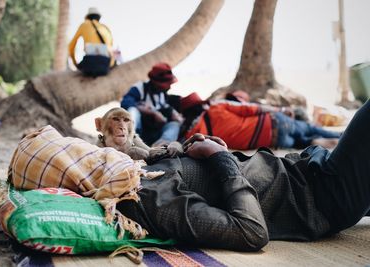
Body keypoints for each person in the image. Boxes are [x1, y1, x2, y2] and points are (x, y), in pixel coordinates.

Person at [116, 99, 370, 251]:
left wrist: (209, 151)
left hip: (307, 171)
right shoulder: (145, 196)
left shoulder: (143, 173)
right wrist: (219, 157)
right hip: (322, 195)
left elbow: (209, 180)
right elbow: (251, 231)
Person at [179, 92, 341, 150]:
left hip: (271, 140)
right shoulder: (216, 107)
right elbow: (252, 108)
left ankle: (329, 142)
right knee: (309, 128)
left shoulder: (195, 137)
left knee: (308, 141)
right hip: (273, 122)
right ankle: (341, 136)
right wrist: (281, 110)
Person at [120, 63, 183, 146]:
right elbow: (125, 103)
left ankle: (162, 144)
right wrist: (152, 112)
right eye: (167, 84)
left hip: (155, 133)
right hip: (140, 131)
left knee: (174, 125)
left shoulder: (162, 94)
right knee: (132, 111)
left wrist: (174, 115)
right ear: (156, 82)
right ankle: (130, 140)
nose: (169, 87)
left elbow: (166, 109)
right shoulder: (140, 88)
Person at [68, 7, 115, 76]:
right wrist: (111, 64)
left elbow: (71, 46)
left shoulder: (84, 25)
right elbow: (111, 48)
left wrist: (75, 63)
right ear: (99, 18)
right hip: (105, 64)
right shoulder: (106, 28)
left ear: (87, 17)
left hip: (89, 63)